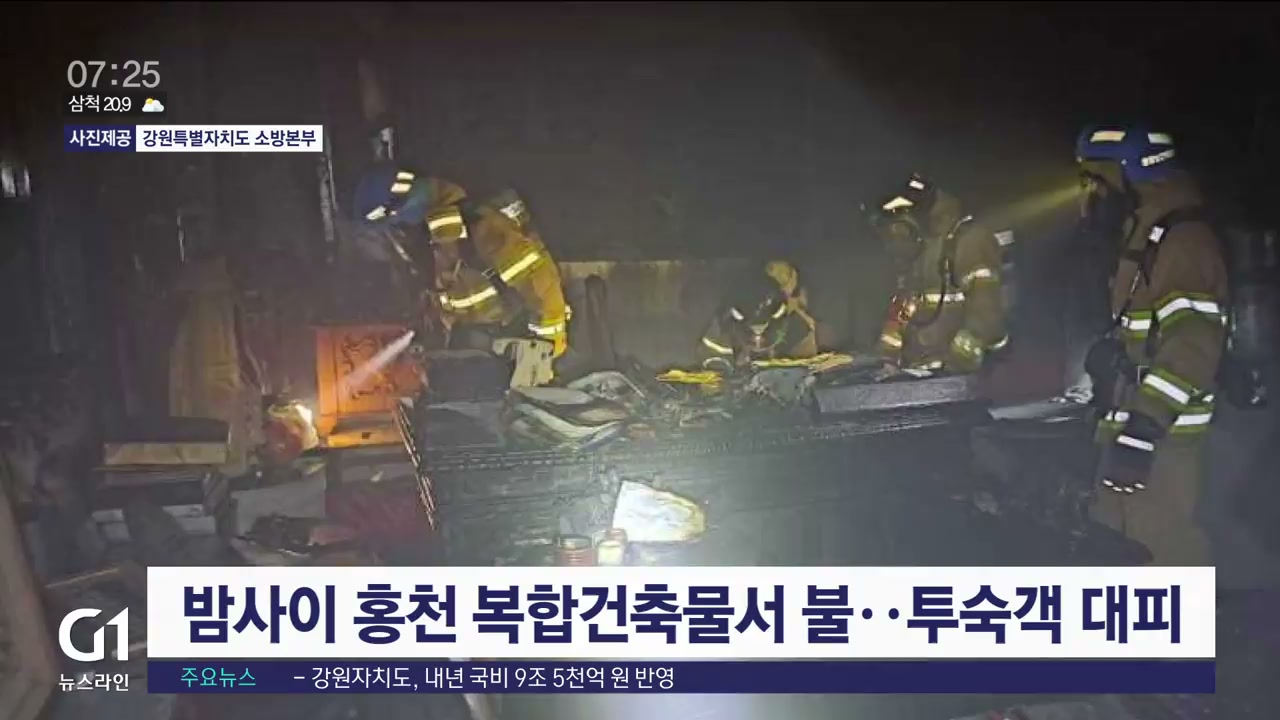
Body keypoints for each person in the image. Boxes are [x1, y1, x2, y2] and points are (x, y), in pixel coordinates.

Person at [1076, 124, 1228, 566]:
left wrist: (1144, 429)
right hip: (1129, 423)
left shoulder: (1182, 241)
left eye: (1098, 181)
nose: (1091, 194)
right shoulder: (1145, 234)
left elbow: (1193, 344)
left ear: (1130, 175)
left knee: (1160, 546)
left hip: (1164, 436)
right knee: (1114, 544)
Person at [352, 165, 570, 360]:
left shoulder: (480, 226)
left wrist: (544, 350)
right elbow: (447, 299)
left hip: (510, 346)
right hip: (478, 354)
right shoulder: (428, 243)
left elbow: (539, 282)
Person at [869, 174, 1008, 374]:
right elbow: (901, 315)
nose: (893, 243)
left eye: (898, 231)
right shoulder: (920, 253)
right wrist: (887, 359)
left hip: (967, 378)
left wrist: (956, 368)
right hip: (921, 377)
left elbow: (986, 316)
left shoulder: (969, 242)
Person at [699, 260, 818, 368]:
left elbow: (807, 371)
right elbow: (708, 372)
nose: (758, 339)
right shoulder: (717, 337)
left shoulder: (798, 332)